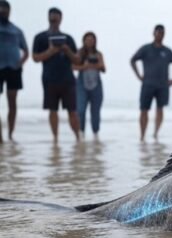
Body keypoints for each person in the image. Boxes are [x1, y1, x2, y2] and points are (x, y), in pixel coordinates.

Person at [32, 7, 80, 143]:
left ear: (60, 19)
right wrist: (51, 51)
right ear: (48, 18)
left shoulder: (68, 39)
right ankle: (55, 139)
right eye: (51, 18)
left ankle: (78, 138)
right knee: (52, 110)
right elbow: (35, 58)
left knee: (73, 111)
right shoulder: (40, 37)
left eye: (56, 18)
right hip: (49, 79)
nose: (53, 21)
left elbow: (77, 60)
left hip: (68, 80)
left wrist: (66, 50)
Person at [131, 24, 172, 142]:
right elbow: (133, 60)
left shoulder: (167, 51)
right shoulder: (146, 48)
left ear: (164, 34)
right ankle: (142, 135)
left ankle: (155, 133)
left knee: (160, 108)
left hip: (163, 85)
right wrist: (138, 75)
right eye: (158, 32)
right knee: (144, 109)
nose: (160, 34)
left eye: (162, 33)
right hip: (147, 84)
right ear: (154, 33)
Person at [0, 0, 28, 143]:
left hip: (13, 69)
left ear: (9, 11)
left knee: (12, 102)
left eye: (5, 9)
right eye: (0, 8)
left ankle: (10, 134)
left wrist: (20, 63)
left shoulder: (17, 31)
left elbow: (26, 51)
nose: (2, 11)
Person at [73, 32, 105, 140]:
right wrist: (84, 66)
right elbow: (73, 67)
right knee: (80, 110)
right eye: (88, 39)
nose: (90, 41)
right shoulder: (79, 53)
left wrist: (95, 64)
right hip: (82, 84)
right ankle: (81, 132)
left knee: (95, 112)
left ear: (95, 41)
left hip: (96, 84)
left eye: (92, 39)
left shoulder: (98, 54)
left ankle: (95, 133)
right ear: (84, 40)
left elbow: (103, 68)